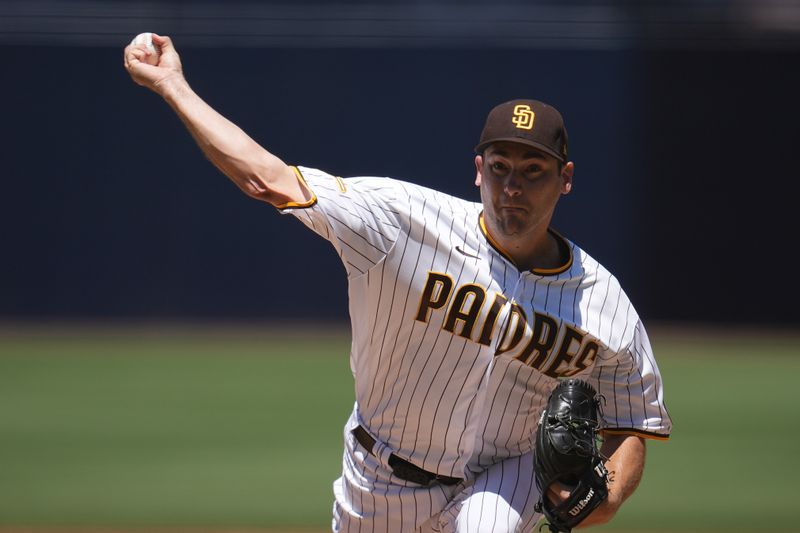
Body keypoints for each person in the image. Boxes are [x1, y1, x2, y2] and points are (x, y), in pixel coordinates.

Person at [124, 34, 672, 533]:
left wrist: (608, 497)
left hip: (507, 479)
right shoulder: (399, 223)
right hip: (378, 478)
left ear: (565, 179)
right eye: (501, 167)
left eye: (534, 172)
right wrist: (173, 85)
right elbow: (265, 176)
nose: (513, 187)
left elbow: (632, 423)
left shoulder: (602, 302)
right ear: (477, 170)